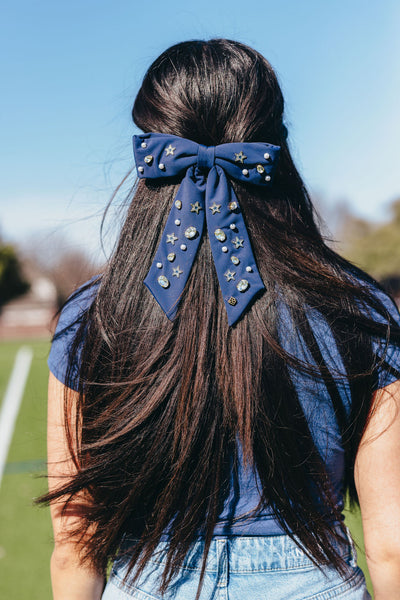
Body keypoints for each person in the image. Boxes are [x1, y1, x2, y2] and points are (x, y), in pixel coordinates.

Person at [40, 39, 400, 600]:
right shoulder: (360, 308)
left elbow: (74, 543)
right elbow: (390, 541)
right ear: (274, 146)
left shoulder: (92, 317)